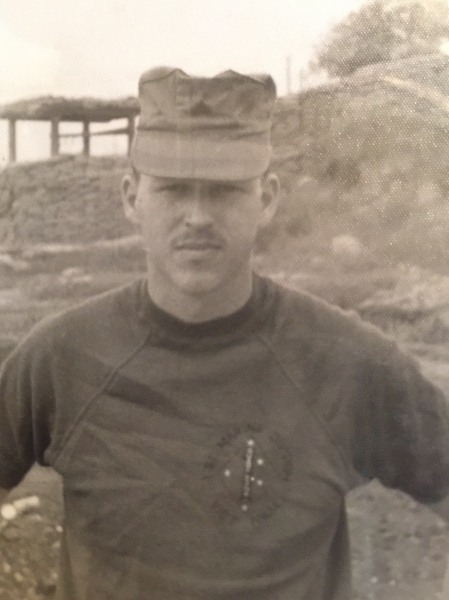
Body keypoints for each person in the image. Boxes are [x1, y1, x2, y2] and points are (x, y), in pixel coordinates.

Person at [0, 66, 449, 600]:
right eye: (174, 189)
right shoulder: (60, 358)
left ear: (267, 199)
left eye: (224, 191)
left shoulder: (347, 361)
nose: (197, 216)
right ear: (131, 197)